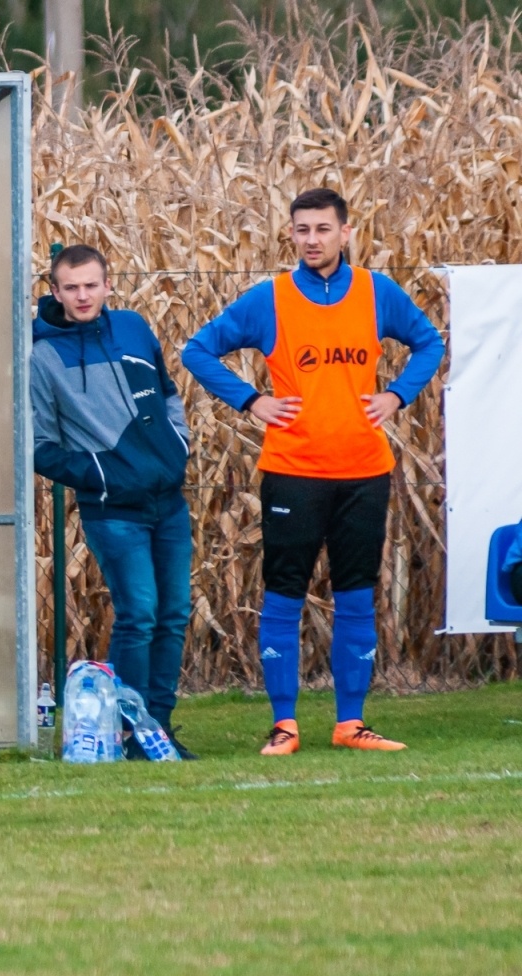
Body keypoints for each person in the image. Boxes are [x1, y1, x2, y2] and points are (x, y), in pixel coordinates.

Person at [181, 187, 445, 756]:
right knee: (283, 596)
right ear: (292, 234)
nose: (311, 240)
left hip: (364, 472)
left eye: (323, 229)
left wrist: (397, 395)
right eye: (301, 230)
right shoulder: (270, 298)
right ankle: (285, 726)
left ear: (345, 232)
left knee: (355, 596)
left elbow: (429, 342)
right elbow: (197, 351)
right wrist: (253, 401)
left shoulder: (377, 292)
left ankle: (351, 724)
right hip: (292, 472)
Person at [31, 244, 196, 759]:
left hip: (167, 500)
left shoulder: (133, 328)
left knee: (174, 613)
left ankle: (159, 732)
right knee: (139, 613)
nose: (82, 296)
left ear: (107, 285)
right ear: (55, 291)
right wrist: (101, 474)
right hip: (113, 509)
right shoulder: (43, 355)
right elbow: (40, 446)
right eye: (71, 287)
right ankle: (129, 730)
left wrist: (179, 443)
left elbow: (169, 392)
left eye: (91, 285)